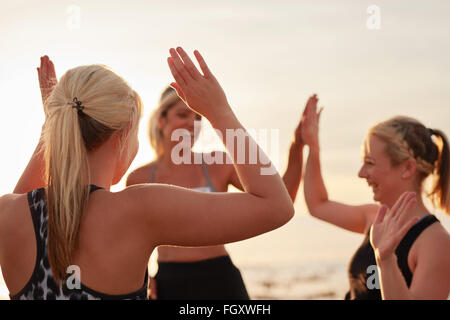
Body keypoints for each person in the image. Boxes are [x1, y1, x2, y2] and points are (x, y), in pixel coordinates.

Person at [0, 48, 294, 300]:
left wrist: (51, 127)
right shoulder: (139, 207)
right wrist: (221, 112)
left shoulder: (7, 214)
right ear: (125, 133)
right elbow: (277, 206)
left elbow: (26, 196)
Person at [126, 84, 309, 299]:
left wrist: (297, 146)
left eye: (198, 118)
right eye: (183, 114)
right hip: (170, 283)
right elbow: (132, 241)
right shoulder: (139, 178)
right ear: (161, 120)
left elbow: (283, 196)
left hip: (221, 279)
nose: (191, 123)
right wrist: (145, 278)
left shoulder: (218, 164)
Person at [300, 95, 450, 299]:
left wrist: (386, 260)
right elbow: (317, 204)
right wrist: (312, 147)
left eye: (370, 162)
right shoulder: (374, 217)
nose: (361, 173)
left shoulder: (436, 243)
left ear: (407, 168)